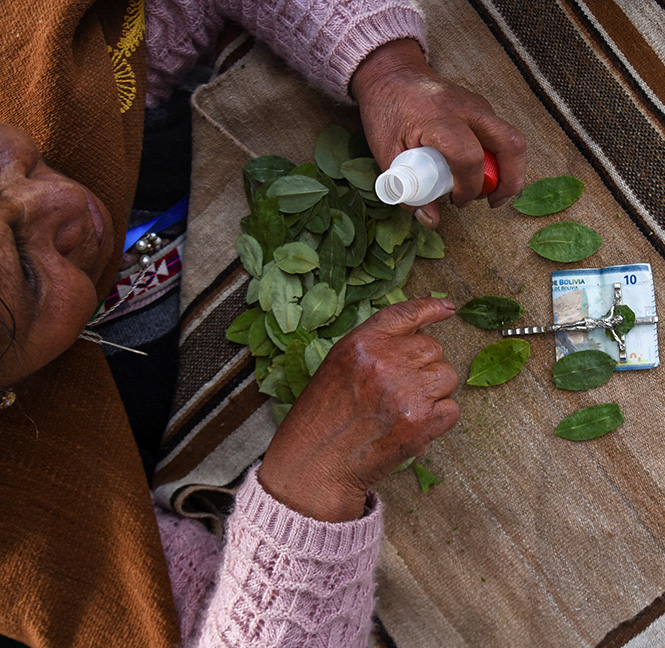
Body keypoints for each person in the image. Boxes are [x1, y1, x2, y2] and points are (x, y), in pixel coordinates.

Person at [0, 0, 525, 645]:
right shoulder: (38, 533)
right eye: (25, 277)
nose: (63, 201)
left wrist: (386, 68)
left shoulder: (31, 66)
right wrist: (312, 485)